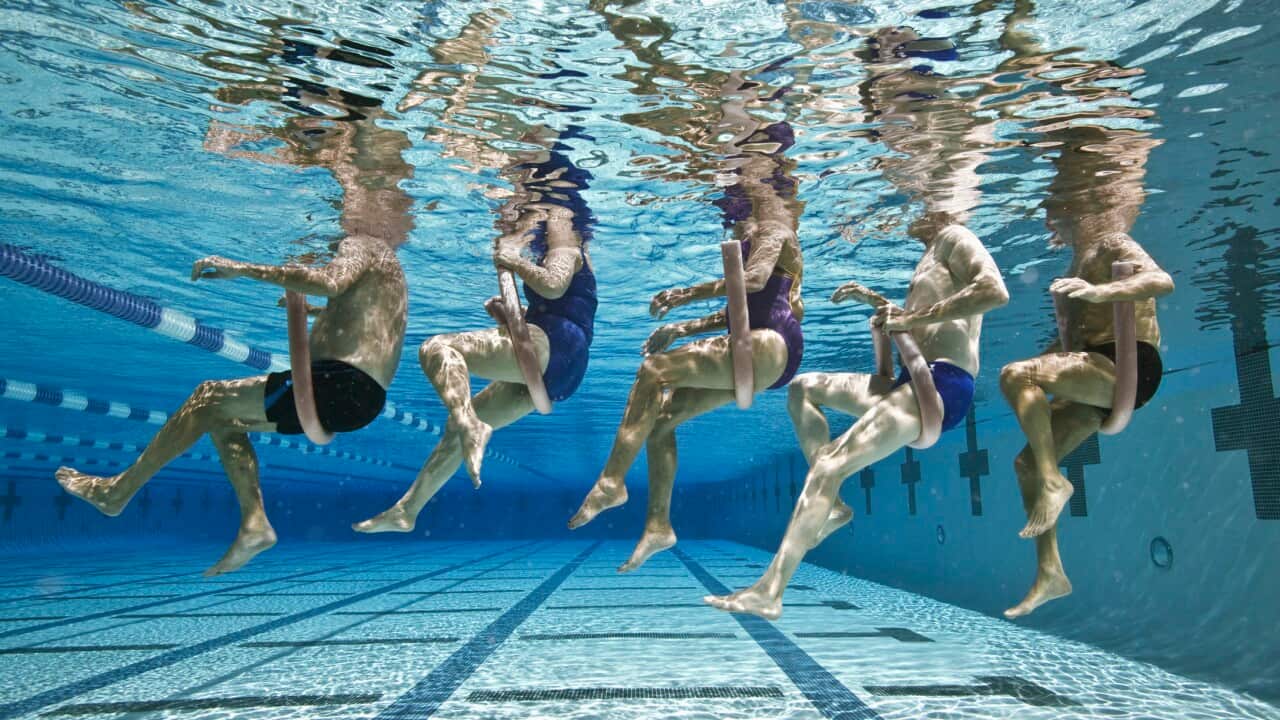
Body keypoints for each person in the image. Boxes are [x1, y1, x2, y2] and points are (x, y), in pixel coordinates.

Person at [56, 45, 412, 575]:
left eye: (345, 202)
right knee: (223, 420)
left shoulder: (362, 242)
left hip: (338, 385)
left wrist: (240, 268)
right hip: (358, 394)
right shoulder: (389, 263)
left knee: (206, 397)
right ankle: (254, 524)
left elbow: (325, 279)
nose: (340, 210)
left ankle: (118, 491)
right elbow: (365, 321)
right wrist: (319, 318)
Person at [705, 218, 1007, 619]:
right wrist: (881, 313)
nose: (905, 198)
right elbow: (905, 349)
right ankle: (831, 506)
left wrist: (910, 321)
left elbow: (994, 291)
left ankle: (770, 591)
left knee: (830, 466)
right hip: (910, 382)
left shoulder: (956, 236)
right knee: (803, 389)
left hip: (943, 386)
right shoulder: (930, 256)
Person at [566, 71, 806, 574]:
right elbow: (744, 303)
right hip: (760, 344)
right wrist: (683, 327)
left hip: (772, 342)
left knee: (653, 370)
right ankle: (659, 525)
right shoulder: (758, 226)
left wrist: (683, 297)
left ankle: (611, 481)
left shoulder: (776, 223)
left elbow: (757, 279)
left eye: (745, 195)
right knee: (661, 416)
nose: (736, 213)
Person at [353, 127, 598, 533]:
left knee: (438, 348)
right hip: (564, 361)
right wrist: (506, 314)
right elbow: (560, 296)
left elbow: (553, 283)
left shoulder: (562, 226)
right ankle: (407, 511)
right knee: (457, 429)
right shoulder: (556, 236)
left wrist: (513, 258)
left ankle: (469, 423)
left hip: (556, 342)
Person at [999, 126, 1173, 618]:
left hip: (1131, 363)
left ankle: (1055, 480)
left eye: (1055, 207)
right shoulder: (1079, 256)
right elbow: (1074, 340)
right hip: (1096, 367)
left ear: (1077, 208)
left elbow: (1160, 281)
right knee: (1025, 463)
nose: (1050, 215)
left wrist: (1099, 293)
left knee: (1017, 376)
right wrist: (1051, 358)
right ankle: (1051, 573)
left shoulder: (1112, 239)